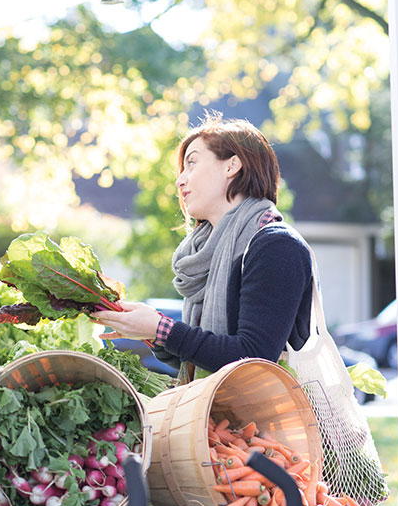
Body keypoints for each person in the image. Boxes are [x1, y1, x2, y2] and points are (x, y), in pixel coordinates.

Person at [92, 113, 313, 377]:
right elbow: (208, 355)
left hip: (277, 416)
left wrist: (162, 328)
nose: (180, 180)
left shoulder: (276, 247)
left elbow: (254, 356)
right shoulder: (208, 251)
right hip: (226, 415)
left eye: (192, 163)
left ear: (232, 166)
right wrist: (150, 332)